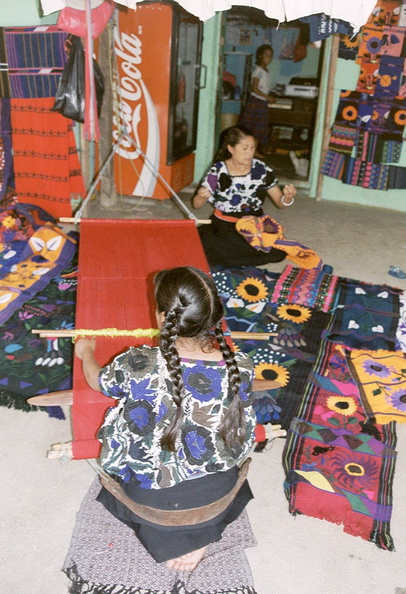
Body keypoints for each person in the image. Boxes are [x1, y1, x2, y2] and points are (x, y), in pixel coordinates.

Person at [74, 266, 258, 573]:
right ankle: (200, 536)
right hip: (217, 493)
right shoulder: (241, 364)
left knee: (121, 495)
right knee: (224, 486)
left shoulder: (138, 361)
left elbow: (98, 381)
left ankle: (169, 539)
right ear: (214, 315)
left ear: (162, 316)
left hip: (149, 498)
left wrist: (86, 352)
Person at [194, 125, 297, 268]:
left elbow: (280, 203)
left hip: (254, 222)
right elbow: (196, 205)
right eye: (244, 148)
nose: (250, 153)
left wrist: (287, 198)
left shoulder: (260, 169)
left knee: (277, 251)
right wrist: (201, 195)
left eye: (253, 148)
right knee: (215, 247)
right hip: (225, 223)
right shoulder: (218, 170)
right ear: (231, 149)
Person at [239, 44, 275, 156]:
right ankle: (248, 151)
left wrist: (268, 95)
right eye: (266, 55)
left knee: (260, 128)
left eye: (270, 56)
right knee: (252, 128)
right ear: (260, 56)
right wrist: (268, 97)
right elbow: (254, 88)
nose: (268, 58)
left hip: (262, 102)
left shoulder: (265, 71)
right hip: (256, 102)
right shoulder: (258, 70)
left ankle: (253, 151)